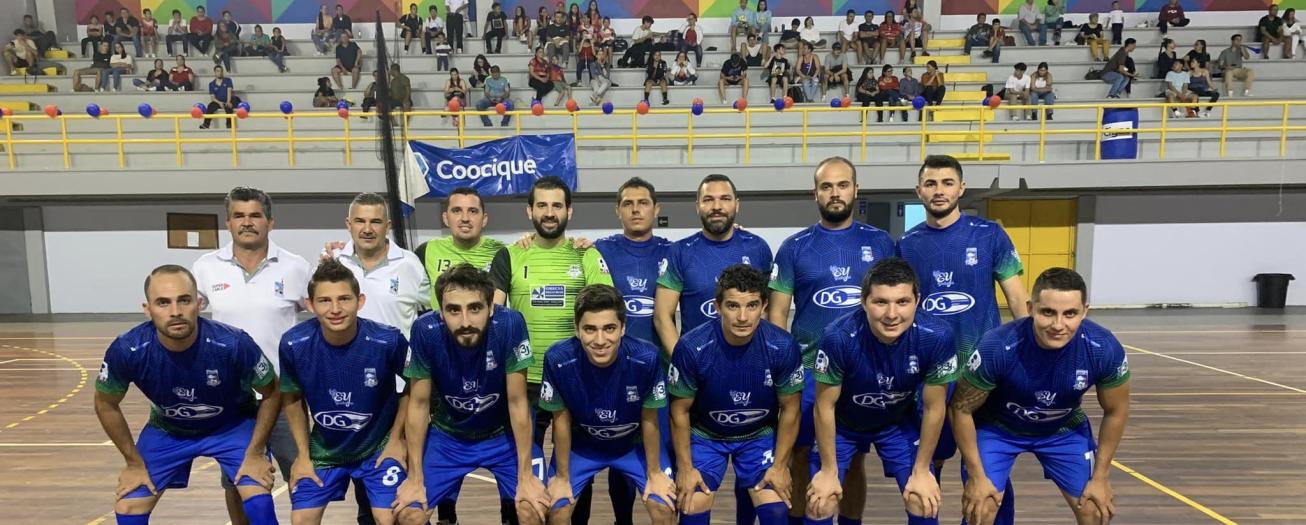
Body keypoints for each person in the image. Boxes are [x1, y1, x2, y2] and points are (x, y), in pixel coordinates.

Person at [95, 265, 282, 525]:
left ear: (199, 303)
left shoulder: (233, 343)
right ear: (147, 309)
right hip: (169, 430)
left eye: (184, 300)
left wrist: (255, 453)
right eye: (163, 303)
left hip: (232, 425)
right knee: (129, 507)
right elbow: (106, 403)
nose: (175, 312)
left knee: (259, 500)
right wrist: (133, 462)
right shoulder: (128, 349)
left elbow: (272, 392)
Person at [897, 155, 1027, 523]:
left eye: (947, 183)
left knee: (985, 469)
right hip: (930, 375)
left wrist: (1029, 354)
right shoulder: (906, 244)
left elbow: (1017, 297)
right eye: (931, 184)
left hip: (982, 375)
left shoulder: (989, 235)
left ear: (961, 188)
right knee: (925, 468)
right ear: (919, 191)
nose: (939, 191)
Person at [767, 157, 897, 525]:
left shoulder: (881, 242)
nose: (835, 193)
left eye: (842, 185)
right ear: (816, 193)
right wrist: (782, 372)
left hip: (864, 374)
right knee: (801, 453)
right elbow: (777, 316)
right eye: (827, 186)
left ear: (856, 190)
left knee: (853, 457)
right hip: (808, 372)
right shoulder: (795, 247)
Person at [949, 268, 1131, 525]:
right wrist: (977, 476)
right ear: (1031, 308)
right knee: (981, 507)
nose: (1058, 325)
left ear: (1085, 310)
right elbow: (961, 408)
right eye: (1048, 312)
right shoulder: (998, 346)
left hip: (1062, 429)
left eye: (1070, 314)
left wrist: (1101, 477)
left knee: (1095, 509)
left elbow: (1116, 411)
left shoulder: (1103, 347)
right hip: (998, 428)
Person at [804, 258, 959, 525]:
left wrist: (922, 470)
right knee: (820, 501)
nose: (891, 314)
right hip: (843, 423)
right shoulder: (838, 336)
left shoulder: (937, 335)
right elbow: (824, 406)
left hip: (897, 422)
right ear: (864, 302)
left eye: (902, 302)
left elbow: (935, 407)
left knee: (922, 499)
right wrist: (829, 470)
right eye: (880, 302)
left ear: (917, 300)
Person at [392, 264, 549, 525]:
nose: (465, 321)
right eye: (454, 310)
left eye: (475, 308)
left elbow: (518, 402)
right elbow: (418, 405)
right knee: (409, 513)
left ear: (491, 307)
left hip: (502, 435)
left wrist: (525, 476)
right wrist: (415, 478)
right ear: (440, 312)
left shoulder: (510, 324)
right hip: (448, 437)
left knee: (533, 509)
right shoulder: (424, 331)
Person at [190, 187, 310, 525]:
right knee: (238, 479)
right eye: (239, 216)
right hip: (233, 398)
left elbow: (321, 315)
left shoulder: (296, 267)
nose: (247, 222)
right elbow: (190, 323)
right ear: (228, 222)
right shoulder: (205, 267)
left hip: (285, 394)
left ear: (270, 221)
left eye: (255, 215)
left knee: (301, 473)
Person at [668, 264, 804, 525]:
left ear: (764, 305)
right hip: (706, 435)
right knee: (691, 504)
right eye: (733, 306)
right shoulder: (692, 347)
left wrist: (779, 467)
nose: (743, 317)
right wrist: (685, 468)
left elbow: (790, 409)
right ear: (717, 307)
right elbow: (679, 412)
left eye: (752, 305)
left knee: (776, 511)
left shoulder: (783, 346)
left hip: (758, 435)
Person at [280, 259, 411, 525]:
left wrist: (398, 439)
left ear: (360, 301)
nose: (335, 309)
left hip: (379, 445)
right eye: (325, 301)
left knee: (390, 518)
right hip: (326, 449)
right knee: (301, 519)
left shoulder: (387, 340)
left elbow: (415, 385)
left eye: (344, 299)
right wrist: (302, 457)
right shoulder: (294, 344)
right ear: (310, 304)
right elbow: (292, 399)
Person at [537, 285, 676, 525]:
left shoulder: (646, 357)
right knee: (557, 510)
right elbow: (561, 421)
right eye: (590, 329)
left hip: (634, 446)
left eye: (609, 328)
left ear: (623, 328)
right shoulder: (557, 358)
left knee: (662, 505)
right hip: (583, 447)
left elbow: (650, 418)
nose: (600, 340)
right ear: (577, 328)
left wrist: (654, 473)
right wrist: (561, 476)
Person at [655, 173, 774, 354]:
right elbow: (662, 317)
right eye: (708, 200)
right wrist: (683, 362)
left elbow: (768, 309)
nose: (717, 207)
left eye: (725, 199)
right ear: (698, 206)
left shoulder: (758, 248)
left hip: (750, 360)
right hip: (698, 362)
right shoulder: (679, 252)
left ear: (737, 204)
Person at [326, 193, 430, 337]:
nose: (367, 229)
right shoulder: (334, 262)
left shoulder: (410, 264)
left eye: (375, 222)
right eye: (360, 221)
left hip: (397, 359)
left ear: (387, 227)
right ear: (349, 225)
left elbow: (433, 313)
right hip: (346, 358)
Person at [594, 177, 673, 351]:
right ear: (618, 210)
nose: (636, 210)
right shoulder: (599, 249)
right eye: (628, 204)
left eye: (643, 203)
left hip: (659, 361)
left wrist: (735, 233)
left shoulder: (673, 252)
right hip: (613, 360)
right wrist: (529, 239)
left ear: (656, 209)